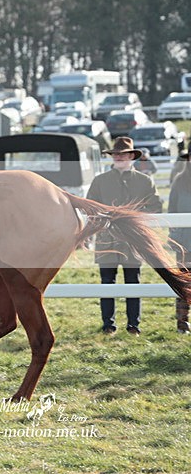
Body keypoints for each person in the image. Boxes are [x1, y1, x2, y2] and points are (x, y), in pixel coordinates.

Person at [86, 136, 162, 336]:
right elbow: (90, 206)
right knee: (106, 283)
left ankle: (133, 325)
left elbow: (155, 207)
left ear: (131, 156)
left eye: (123, 154)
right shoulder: (100, 181)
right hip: (107, 240)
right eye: (116, 154)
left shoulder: (145, 181)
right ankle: (108, 325)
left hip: (133, 241)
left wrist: (135, 217)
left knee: (133, 283)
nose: (119, 157)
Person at [167, 162, 191, 334]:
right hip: (185, 243)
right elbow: (172, 211)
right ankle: (182, 323)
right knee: (183, 281)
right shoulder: (179, 181)